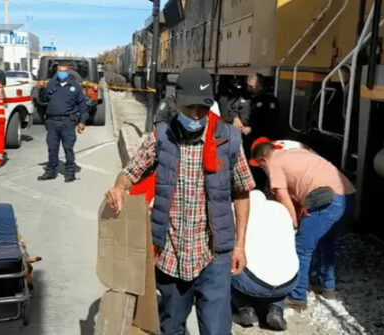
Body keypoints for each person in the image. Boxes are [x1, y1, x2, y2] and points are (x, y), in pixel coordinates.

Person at [105, 67, 255, 335]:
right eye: (190, 108)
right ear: (175, 102)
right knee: (171, 327)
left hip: (214, 255)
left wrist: (240, 245)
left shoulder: (228, 140)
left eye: (202, 108)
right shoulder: (162, 138)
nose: (196, 115)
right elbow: (131, 173)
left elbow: (242, 193)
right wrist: (119, 188)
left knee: (217, 330)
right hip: (171, 256)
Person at [250, 138, 356, 310]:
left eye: (261, 166)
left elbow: (283, 197)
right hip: (348, 195)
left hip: (328, 200)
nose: (264, 170)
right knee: (326, 242)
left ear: (262, 160)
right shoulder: (296, 153)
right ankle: (326, 286)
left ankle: (297, 296)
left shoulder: (273, 162)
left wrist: (293, 225)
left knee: (301, 247)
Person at [232, 190, 299, 331]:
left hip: (253, 283)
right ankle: (276, 308)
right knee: (280, 268)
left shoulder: (236, 211)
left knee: (228, 265)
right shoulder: (280, 209)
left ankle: (244, 309)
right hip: (290, 282)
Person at [36, 62, 89, 182]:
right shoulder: (51, 84)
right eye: (59, 71)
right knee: (52, 148)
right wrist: (42, 89)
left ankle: (70, 172)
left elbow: (82, 105)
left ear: (68, 71)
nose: (61, 73)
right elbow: (43, 100)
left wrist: (82, 121)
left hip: (68, 122)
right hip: (52, 122)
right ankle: (51, 171)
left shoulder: (75, 87)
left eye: (63, 71)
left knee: (68, 148)